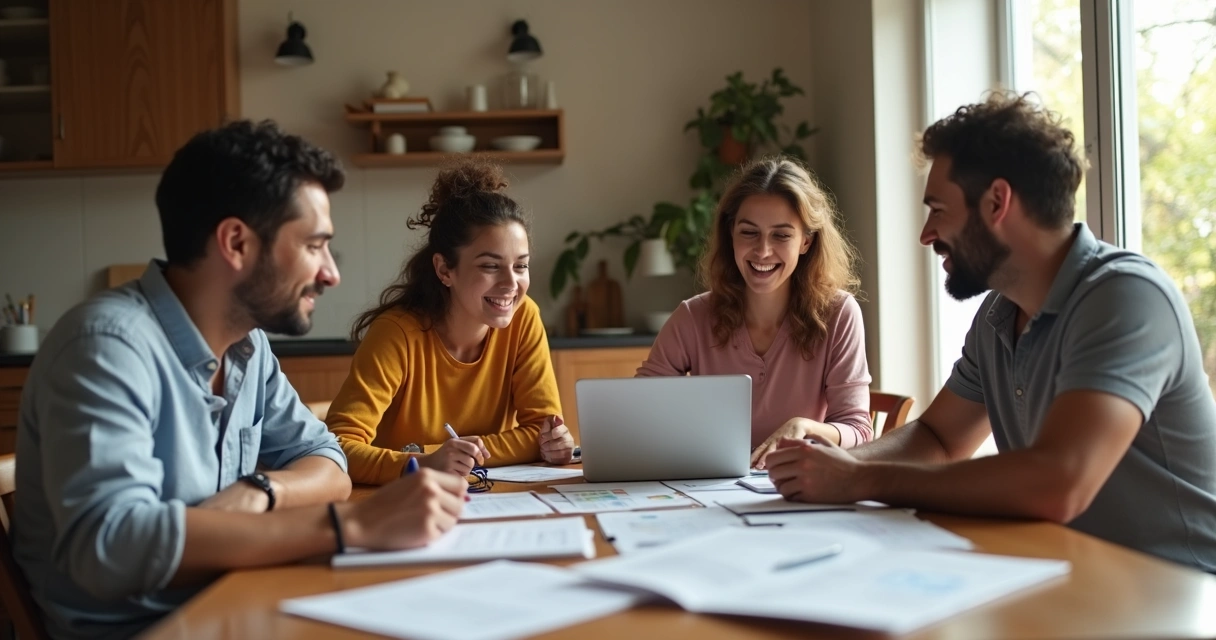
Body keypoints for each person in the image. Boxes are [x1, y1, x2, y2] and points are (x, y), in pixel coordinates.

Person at [12, 121, 468, 640]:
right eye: (315, 246)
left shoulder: (249, 349)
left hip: (234, 603)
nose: (330, 273)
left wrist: (260, 491)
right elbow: (111, 545)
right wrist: (352, 526)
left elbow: (330, 461)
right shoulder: (104, 347)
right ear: (236, 243)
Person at [768, 93, 1216, 572]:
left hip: (1181, 592)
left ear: (998, 202)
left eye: (937, 209)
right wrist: (836, 471)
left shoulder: (1125, 297)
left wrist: (862, 481)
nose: (925, 234)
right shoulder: (1000, 313)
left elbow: (1059, 482)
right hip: (1070, 575)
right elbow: (939, 438)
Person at [326, 161, 575, 486]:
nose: (511, 284)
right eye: (490, 266)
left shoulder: (524, 316)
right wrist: (422, 462)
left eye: (521, 266)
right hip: (401, 503)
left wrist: (439, 453)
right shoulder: (397, 333)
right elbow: (337, 449)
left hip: (488, 496)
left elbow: (541, 434)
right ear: (445, 270)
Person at [637, 157, 872, 469]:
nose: (762, 251)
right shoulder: (693, 317)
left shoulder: (840, 313)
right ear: (730, 232)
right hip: (707, 488)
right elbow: (638, 409)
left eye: (781, 235)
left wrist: (805, 427)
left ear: (806, 241)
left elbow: (858, 429)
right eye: (749, 232)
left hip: (794, 489)